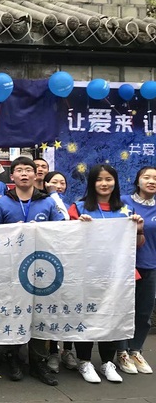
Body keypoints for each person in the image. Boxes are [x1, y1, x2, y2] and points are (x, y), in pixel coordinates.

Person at [0, 156, 64, 386]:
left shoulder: (48, 202)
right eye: (19, 170)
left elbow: (62, 230)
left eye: (28, 170)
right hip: (11, 268)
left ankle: (38, 362)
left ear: (36, 174)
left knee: (39, 313)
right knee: (12, 312)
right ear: (12, 176)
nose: (24, 174)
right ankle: (12, 357)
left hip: (42, 267)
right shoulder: (1, 203)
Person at [68, 164, 143, 383]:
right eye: (99, 179)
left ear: (115, 182)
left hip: (117, 275)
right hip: (87, 273)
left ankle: (107, 362)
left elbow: (138, 244)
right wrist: (77, 227)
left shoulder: (125, 209)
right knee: (86, 315)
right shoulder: (79, 208)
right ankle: (84, 361)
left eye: (109, 179)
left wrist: (138, 229)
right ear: (92, 183)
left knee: (112, 317)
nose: (104, 183)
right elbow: (67, 242)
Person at [118, 166, 156, 375]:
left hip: (151, 266)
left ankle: (135, 350)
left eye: (155, 178)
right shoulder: (124, 202)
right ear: (138, 180)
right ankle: (121, 351)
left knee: (143, 313)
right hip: (126, 265)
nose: (151, 181)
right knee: (124, 310)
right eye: (146, 177)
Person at [42, 170, 74, 371]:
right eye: (54, 182)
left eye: (62, 183)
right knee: (51, 308)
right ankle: (53, 351)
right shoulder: (43, 203)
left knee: (68, 306)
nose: (58, 186)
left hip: (69, 262)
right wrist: (52, 194)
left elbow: (66, 221)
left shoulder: (71, 205)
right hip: (47, 263)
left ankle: (68, 350)